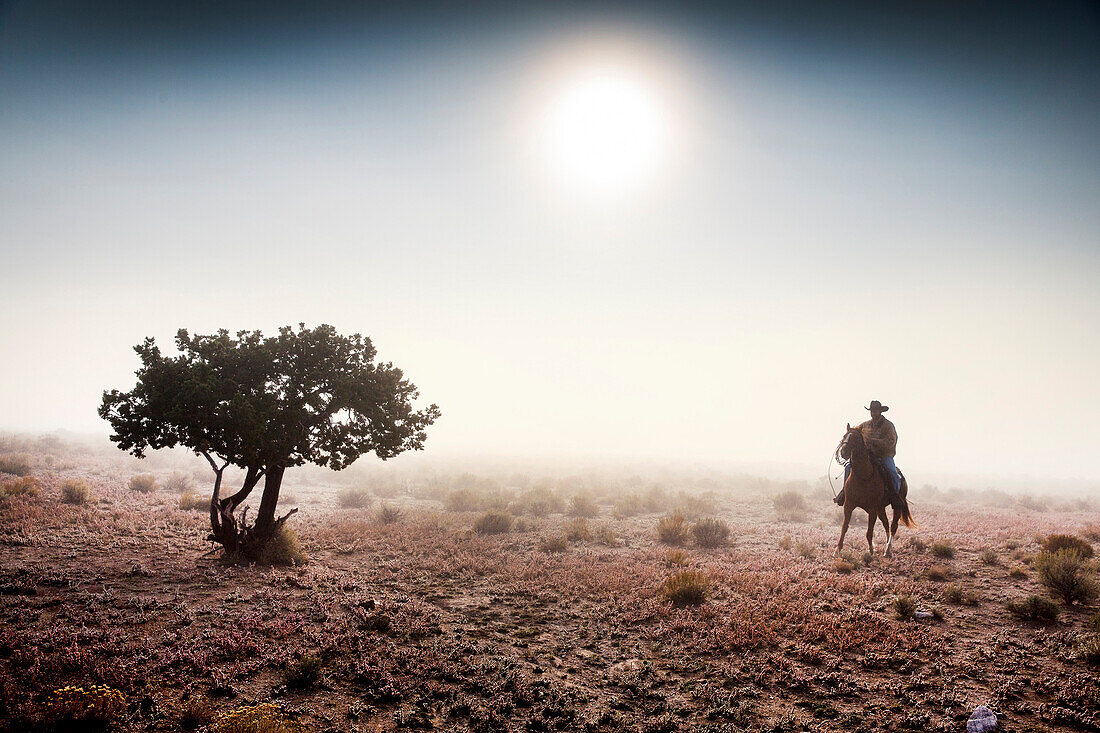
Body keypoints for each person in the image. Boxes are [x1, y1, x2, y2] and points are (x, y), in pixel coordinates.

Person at [833, 400, 900, 506]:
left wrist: (874, 442)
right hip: (868, 456)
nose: (873, 413)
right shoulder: (864, 425)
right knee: (848, 467)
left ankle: (895, 496)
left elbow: (891, 442)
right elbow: (856, 437)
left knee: (891, 471)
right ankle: (845, 492)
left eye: (876, 411)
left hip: (884, 455)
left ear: (880, 412)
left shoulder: (888, 426)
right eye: (872, 411)